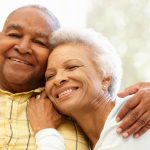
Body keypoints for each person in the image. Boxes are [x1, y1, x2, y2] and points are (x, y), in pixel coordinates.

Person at [28, 28, 150, 150]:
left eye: (72, 67)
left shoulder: (134, 117)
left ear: (106, 78)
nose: (58, 79)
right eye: (50, 76)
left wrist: (45, 131)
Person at [0, 6, 89, 149]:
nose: (23, 48)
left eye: (40, 42)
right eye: (14, 35)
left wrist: (136, 100)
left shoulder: (74, 104)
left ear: (53, 55)